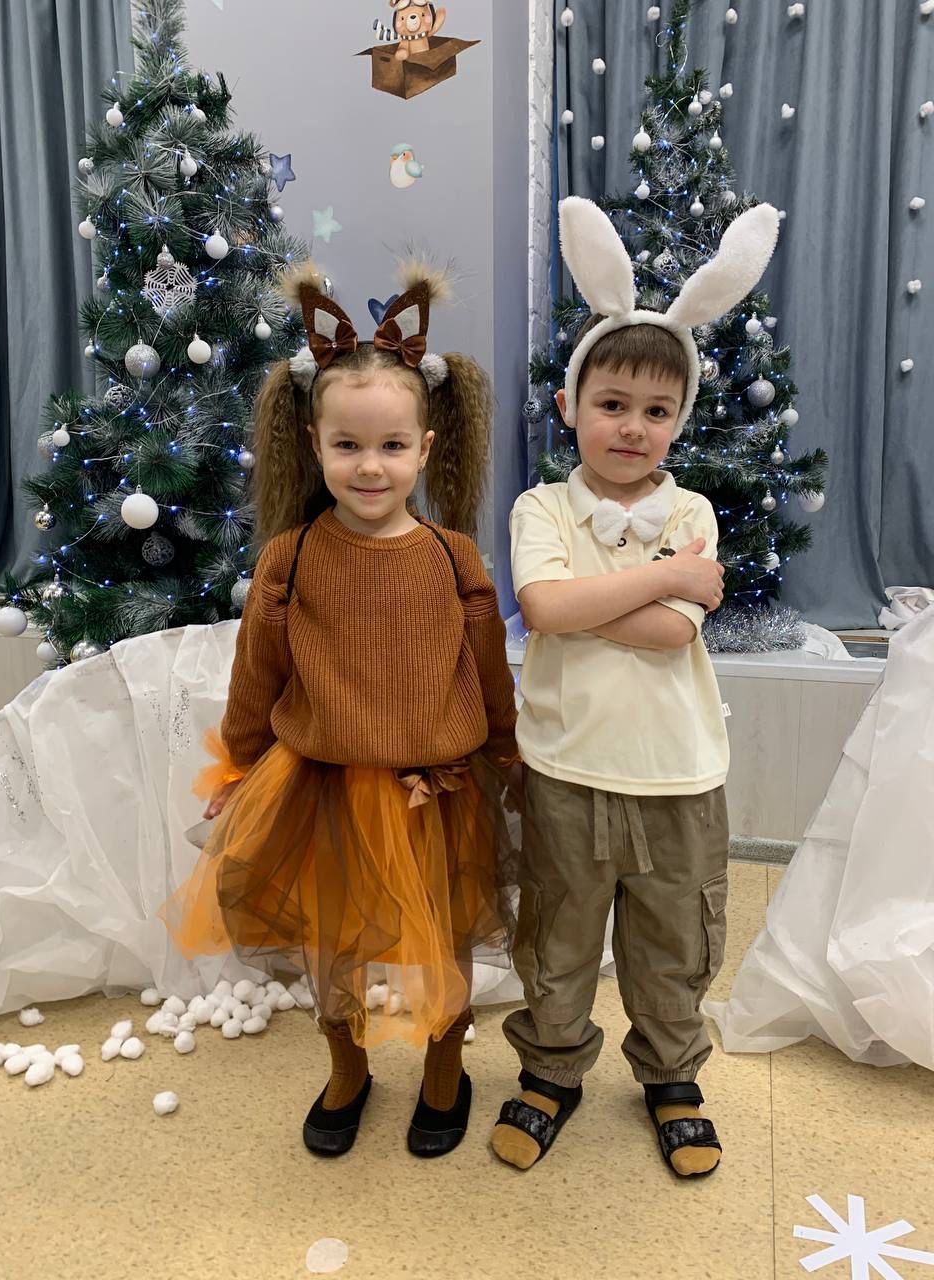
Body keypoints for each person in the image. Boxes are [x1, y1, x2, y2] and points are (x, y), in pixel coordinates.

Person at [162, 261, 519, 1160]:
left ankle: (445, 1068)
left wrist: (509, 753)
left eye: (391, 446)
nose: (370, 466)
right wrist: (238, 768)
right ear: (314, 446)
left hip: (436, 793)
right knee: (334, 945)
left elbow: (486, 672)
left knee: (442, 938)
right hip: (317, 786)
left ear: (425, 449)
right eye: (348, 446)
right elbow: (257, 677)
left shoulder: (454, 557)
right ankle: (348, 1067)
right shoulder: (289, 559)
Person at [491, 196, 780, 1178]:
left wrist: (588, 601)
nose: (633, 427)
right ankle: (551, 1071)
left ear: (678, 421)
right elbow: (542, 606)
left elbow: (667, 635)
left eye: (657, 411)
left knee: (673, 941)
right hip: (565, 768)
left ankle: (671, 1076)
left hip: (676, 774)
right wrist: (661, 578)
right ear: (570, 405)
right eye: (612, 403)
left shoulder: (692, 509)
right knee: (557, 935)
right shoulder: (542, 507)